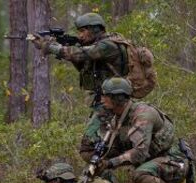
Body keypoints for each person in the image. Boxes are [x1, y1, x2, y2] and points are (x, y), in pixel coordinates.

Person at [80, 77, 196, 183]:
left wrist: (110, 163)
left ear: (118, 98)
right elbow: (114, 149)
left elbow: (140, 153)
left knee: (140, 173)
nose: (102, 99)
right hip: (154, 169)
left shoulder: (142, 114)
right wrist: (96, 159)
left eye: (106, 95)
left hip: (175, 163)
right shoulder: (118, 119)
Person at [31, 13, 130, 144]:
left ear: (95, 29)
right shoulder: (99, 44)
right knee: (105, 141)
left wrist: (49, 46)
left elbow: (81, 54)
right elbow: (83, 66)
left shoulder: (108, 45)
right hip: (106, 100)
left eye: (83, 31)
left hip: (114, 101)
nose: (80, 35)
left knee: (90, 143)